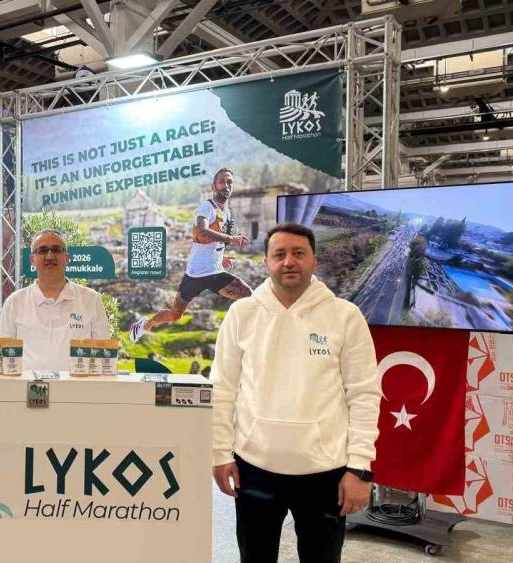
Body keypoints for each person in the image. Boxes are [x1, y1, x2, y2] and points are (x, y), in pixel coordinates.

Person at [210, 223, 380, 563]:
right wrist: (219, 453)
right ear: (266, 262)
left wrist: (360, 468)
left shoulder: (345, 317)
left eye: (298, 253)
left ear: (314, 260)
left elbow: (364, 395)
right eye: (279, 254)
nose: (288, 261)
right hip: (254, 468)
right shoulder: (242, 314)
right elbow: (222, 388)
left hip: (325, 473)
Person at [129, 168, 251, 342]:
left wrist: (220, 257)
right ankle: (144, 325)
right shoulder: (206, 207)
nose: (226, 185)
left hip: (215, 273)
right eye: (222, 182)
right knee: (175, 314)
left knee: (248, 295)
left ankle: (244, 338)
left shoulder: (229, 213)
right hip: (195, 275)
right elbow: (203, 230)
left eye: (229, 182)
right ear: (214, 186)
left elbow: (215, 242)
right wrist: (231, 239)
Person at [0, 229, 111, 371]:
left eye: (56, 250)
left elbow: (103, 355)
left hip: (78, 385)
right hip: (27, 385)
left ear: (66, 258)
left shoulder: (91, 300)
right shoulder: (14, 302)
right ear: (32, 259)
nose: (50, 256)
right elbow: (4, 357)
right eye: (42, 250)